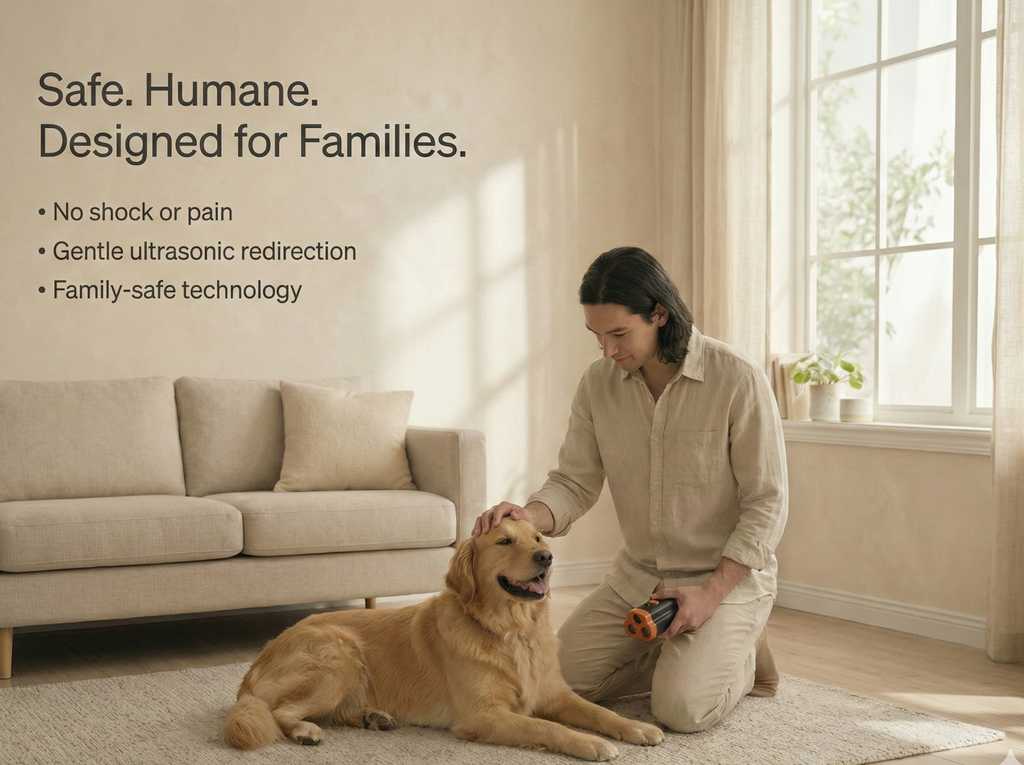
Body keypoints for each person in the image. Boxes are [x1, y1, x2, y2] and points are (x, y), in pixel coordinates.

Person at [473, 246, 787, 734]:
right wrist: (528, 516)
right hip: (638, 578)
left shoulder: (737, 379)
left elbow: (767, 502)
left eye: (619, 333)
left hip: (722, 579)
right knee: (549, 688)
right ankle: (680, 654)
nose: (608, 351)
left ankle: (741, 650)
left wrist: (711, 594)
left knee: (681, 710)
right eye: (597, 336)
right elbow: (573, 482)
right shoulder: (599, 384)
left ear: (659, 314)